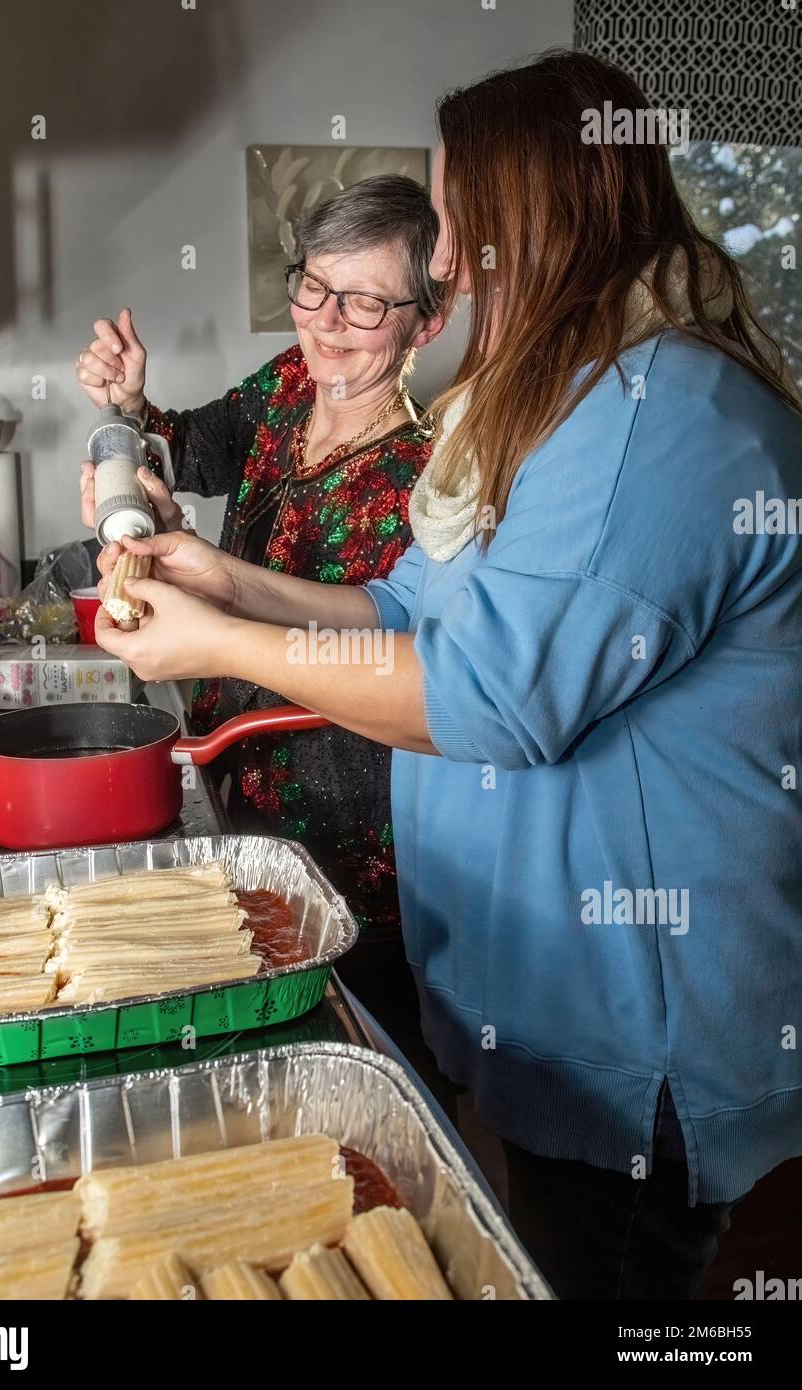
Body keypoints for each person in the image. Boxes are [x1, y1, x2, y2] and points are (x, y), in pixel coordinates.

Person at [93, 49, 802, 1300]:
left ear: (533, 213)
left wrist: (215, 650)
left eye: (457, 226)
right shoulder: (560, 398)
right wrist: (226, 581)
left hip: (634, 1021)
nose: (441, 263)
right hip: (543, 992)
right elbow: (410, 606)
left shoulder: (657, 418)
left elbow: (486, 697)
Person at [76, 175, 446, 1053]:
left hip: (350, 808)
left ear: (423, 324)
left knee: (352, 1021)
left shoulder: (428, 471)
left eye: (362, 305)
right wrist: (130, 408)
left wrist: (208, 599)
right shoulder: (288, 384)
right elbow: (197, 445)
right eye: (313, 287)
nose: (321, 323)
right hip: (236, 756)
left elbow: (385, 650)